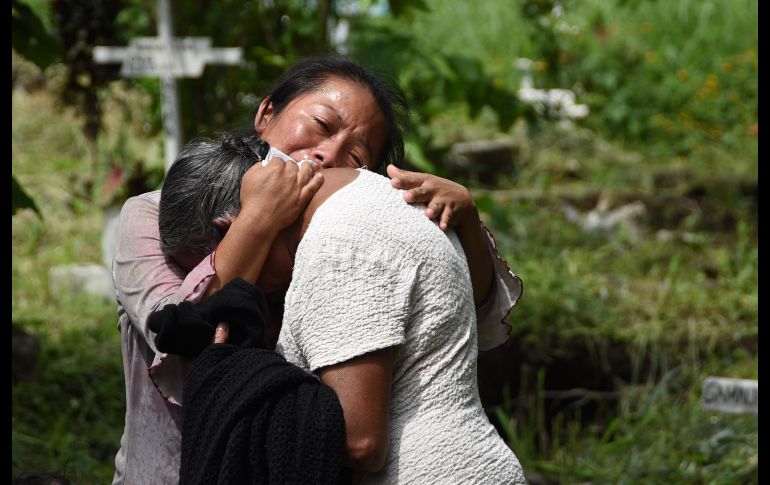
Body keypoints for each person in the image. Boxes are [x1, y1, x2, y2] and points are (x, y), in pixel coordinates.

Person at [111, 54, 522, 484]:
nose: (328, 154)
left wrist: (465, 219)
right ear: (266, 114)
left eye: (356, 157)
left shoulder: (341, 231)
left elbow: (470, 314)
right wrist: (258, 221)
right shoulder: (147, 214)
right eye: (322, 124)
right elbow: (182, 336)